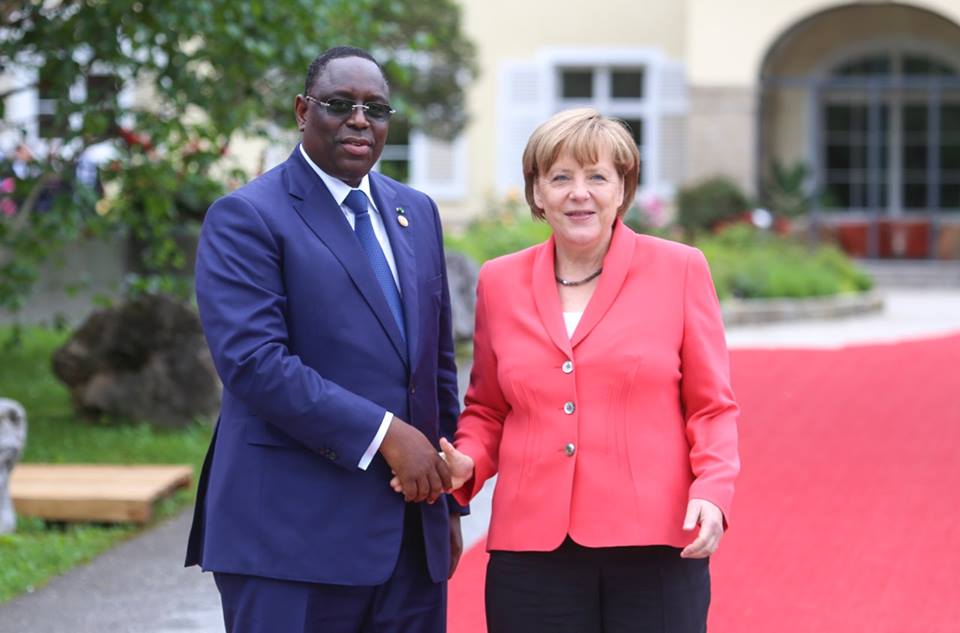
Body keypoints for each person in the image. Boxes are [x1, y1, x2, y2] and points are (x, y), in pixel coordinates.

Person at [185, 46, 466, 633]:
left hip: (411, 539)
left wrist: (447, 504)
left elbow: (435, 366)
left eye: (377, 108)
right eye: (340, 104)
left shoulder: (417, 212)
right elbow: (255, 364)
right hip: (289, 541)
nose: (360, 119)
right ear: (301, 111)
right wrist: (386, 434)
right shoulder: (247, 216)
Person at [433, 108, 740, 632]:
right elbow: (488, 407)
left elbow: (711, 406)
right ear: (536, 194)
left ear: (623, 189)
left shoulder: (680, 270)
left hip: (655, 545)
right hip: (531, 550)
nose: (580, 193)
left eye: (597, 176)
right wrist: (469, 463)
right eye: (560, 178)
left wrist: (713, 491)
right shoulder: (499, 282)